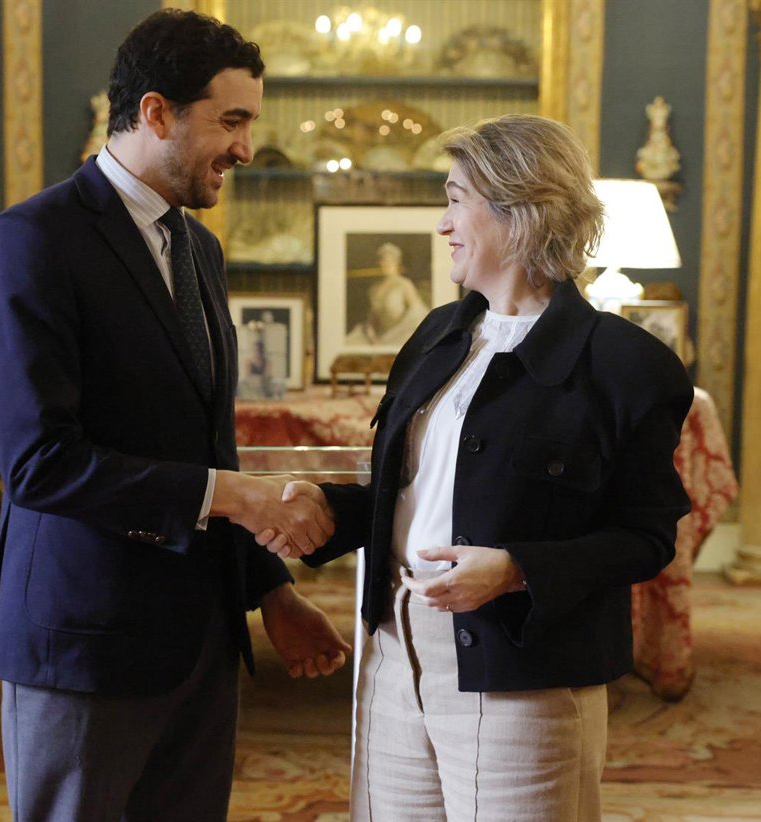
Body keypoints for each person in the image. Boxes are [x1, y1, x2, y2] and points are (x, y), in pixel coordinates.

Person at [0, 10, 349, 820]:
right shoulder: (32, 240)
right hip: (85, 640)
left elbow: (207, 445)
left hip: (203, 641)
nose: (247, 148)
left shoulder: (200, 249)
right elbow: (39, 465)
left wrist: (272, 592)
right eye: (232, 121)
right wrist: (232, 497)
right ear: (156, 113)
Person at [264, 114, 693, 821]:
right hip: (394, 651)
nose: (442, 225)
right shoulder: (438, 333)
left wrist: (517, 570)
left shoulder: (627, 365)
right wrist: (329, 509)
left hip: (524, 672)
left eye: (455, 200)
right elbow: (417, 493)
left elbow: (646, 538)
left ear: (519, 212)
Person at [345, 241, 429, 346]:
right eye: (383, 260)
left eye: (390, 261)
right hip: (380, 334)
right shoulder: (374, 288)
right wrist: (371, 332)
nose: (386, 264)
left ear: (397, 262)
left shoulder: (404, 284)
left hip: (401, 332)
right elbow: (373, 317)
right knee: (352, 342)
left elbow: (416, 312)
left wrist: (395, 332)